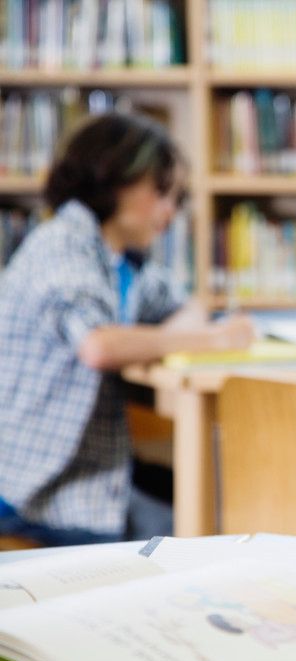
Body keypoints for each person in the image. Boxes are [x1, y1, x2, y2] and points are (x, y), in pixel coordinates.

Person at [0, 112, 255, 546]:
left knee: (215, 507)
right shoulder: (62, 242)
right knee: (201, 532)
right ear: (113, 178)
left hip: (94, 470)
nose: (170, 212)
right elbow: (99, 346)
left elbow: (185, 306)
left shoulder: (123, 260)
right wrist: (210, 340)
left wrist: (187, 330)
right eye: (161, 193)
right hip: (37, 485)